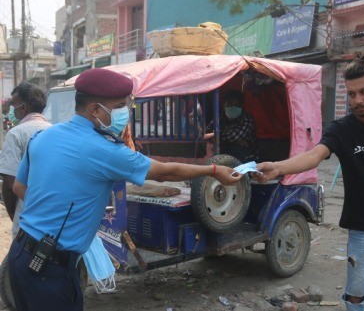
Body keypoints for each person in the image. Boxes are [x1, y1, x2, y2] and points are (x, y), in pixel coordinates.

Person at [8, 68, 243, 311]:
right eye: (120, 105)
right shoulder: (104, 150)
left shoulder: (45, 135)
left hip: (19, 256)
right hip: (50, 268)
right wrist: (213, 171)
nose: (125, 112)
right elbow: (164, 172)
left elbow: (19, 186)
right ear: (95, 110)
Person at [254, 53, 364, 311]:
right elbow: (313, 156)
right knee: (356, 297)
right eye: (352, 94)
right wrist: (277, 167)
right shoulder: (342, 129)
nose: (358, 100)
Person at [0, 83, 51, 238]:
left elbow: (9, 182)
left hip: (27, 217)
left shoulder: (16, 134)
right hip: (54, 214)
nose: (12, 110)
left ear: (23, 108)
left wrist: (13, 214)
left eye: (14, 105)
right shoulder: (56, 130)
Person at [220, 90, 256, 163]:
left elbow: (232, 136)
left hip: (245, 160)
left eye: (236, 105)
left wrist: (221, 137)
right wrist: (235, 141)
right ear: (223, 105)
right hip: (223, 159)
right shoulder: (219, 117)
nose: (232, 107)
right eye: (229, 104)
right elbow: (211, 134)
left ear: (242, 107)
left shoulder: (247, 119)